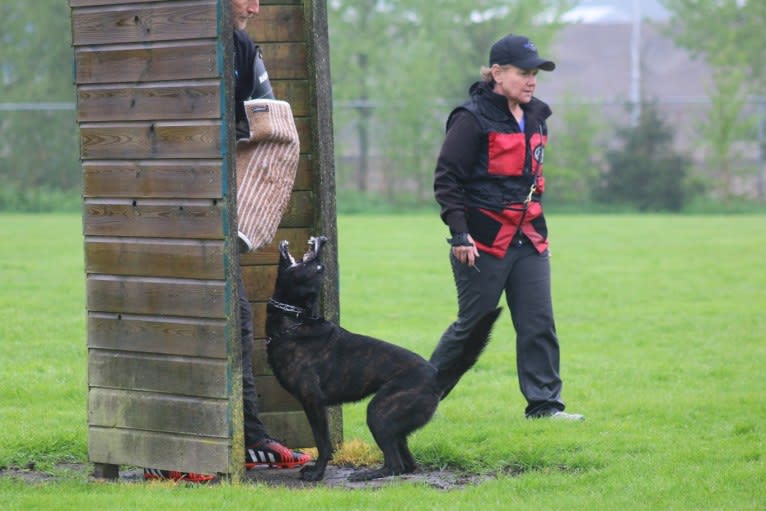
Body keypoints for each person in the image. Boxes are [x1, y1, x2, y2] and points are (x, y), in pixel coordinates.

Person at [145, 0, 311, 482]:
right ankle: (175, 453)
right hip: (165, 213)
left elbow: (267, 120)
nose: (255, 8)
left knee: (235, 323)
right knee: (180, 328)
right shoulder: (173, 37)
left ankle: (249, 439)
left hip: (211, 216)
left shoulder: (239, 44)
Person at [430, 34, 584, 421]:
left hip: (529, 241)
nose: (531, 81)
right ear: (497, 73)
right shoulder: (470, 119)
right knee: (472, 331)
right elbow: (447, 180)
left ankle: (545, 406)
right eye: (523, 73)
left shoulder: (536, 117)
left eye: (535, 74)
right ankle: (417, 398)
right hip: (482, 243)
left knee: (538, 324)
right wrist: (460, 234)